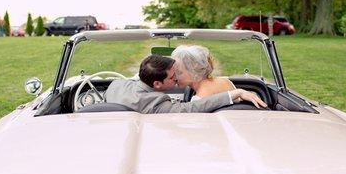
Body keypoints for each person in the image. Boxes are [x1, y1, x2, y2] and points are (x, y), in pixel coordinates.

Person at [104, 55, 266, 113]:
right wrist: (235, 93)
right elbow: (191, 108)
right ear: (158, 84)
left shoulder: (116, 85)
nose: (177, 80)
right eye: (173, 77)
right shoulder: (154, 103)